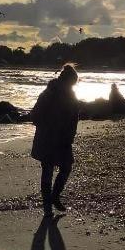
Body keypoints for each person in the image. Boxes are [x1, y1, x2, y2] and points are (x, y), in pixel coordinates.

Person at [31, 64, 79, 216]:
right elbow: (36, 114)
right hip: (51, 137)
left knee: (59, 168)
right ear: (68, 81)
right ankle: (50, 202)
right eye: (73, 83)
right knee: (53, 169)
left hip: (59, 138)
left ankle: (52, 199)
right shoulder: (52, 93)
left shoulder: (59, 93)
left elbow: (73, 118)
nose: (73, 86)